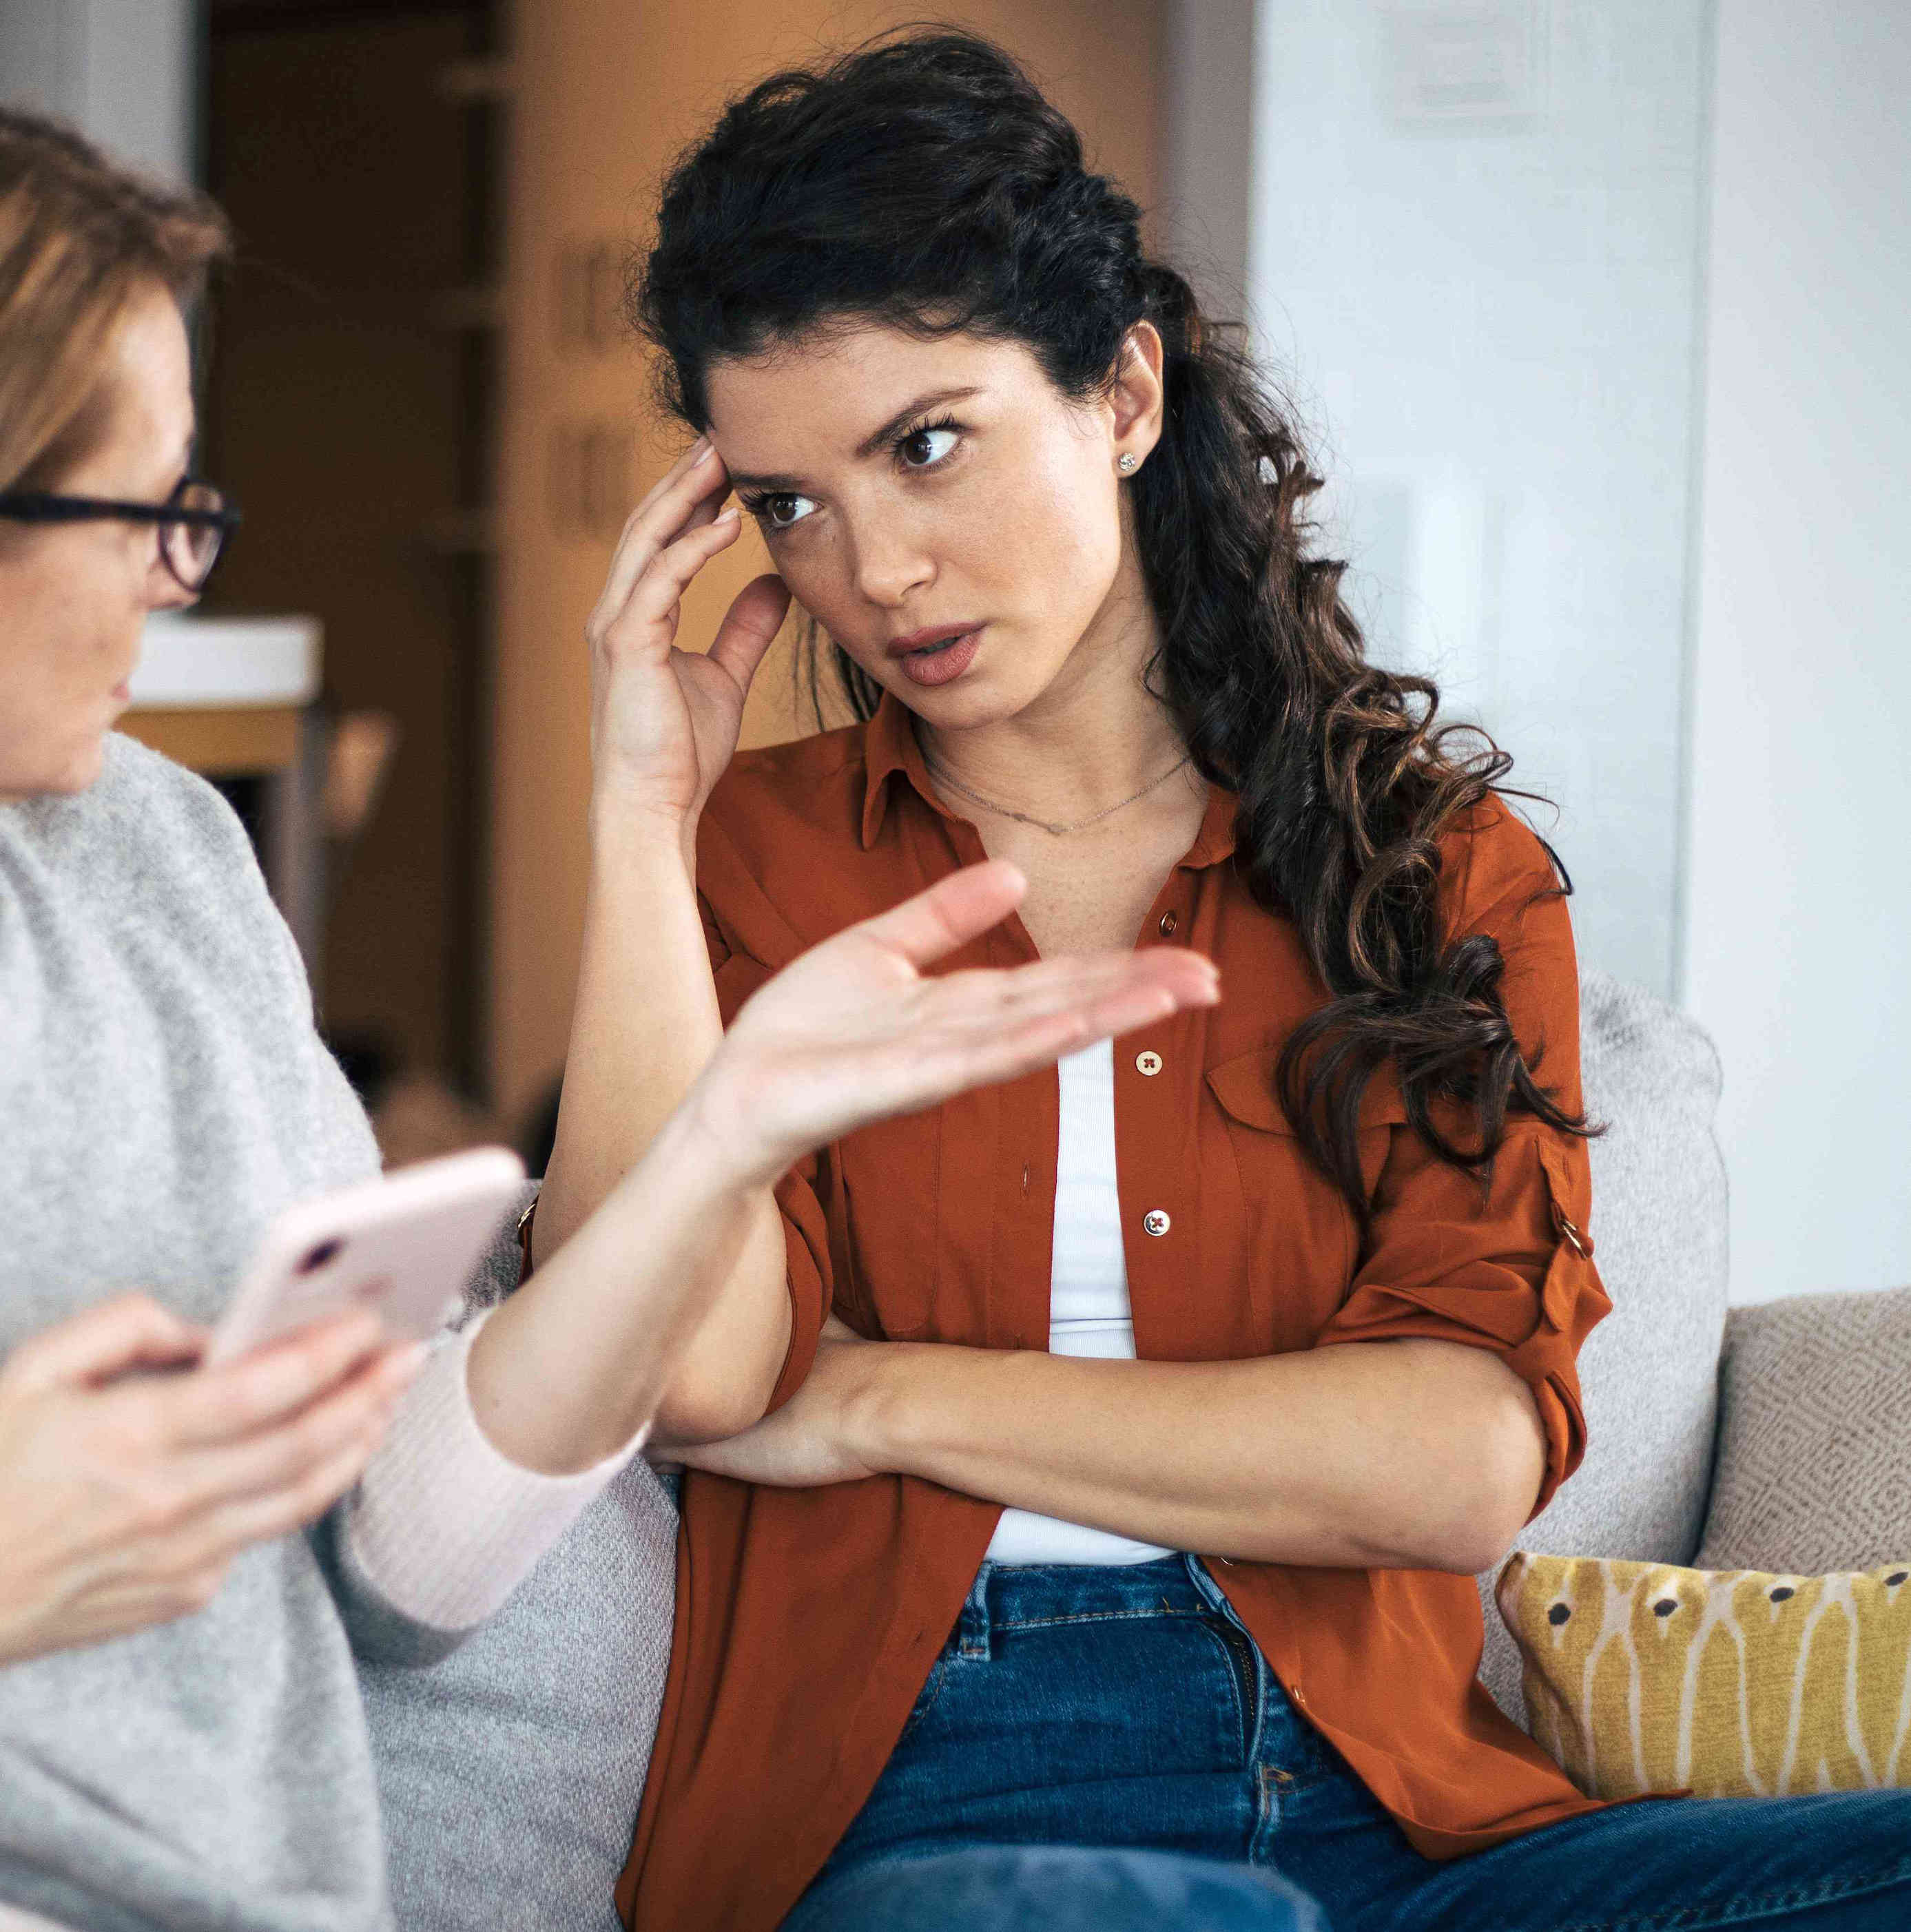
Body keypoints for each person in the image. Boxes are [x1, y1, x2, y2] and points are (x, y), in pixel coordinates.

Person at [0, 49, 1264, 1932]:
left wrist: (724, 1141)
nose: (181, 588)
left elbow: (400, 1572)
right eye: (152, 516)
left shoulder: (158, 860)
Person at [536, 27, 1911, 1932]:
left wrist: (877, 1403)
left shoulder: (1435, 870)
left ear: (1122, 392)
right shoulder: (757, 856)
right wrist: (638, 810)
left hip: (1404, 1828)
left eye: (927, 445)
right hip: (940, 1823)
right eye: (790, 504)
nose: (878, 570)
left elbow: (1457, 1461)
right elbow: (686, 1373)